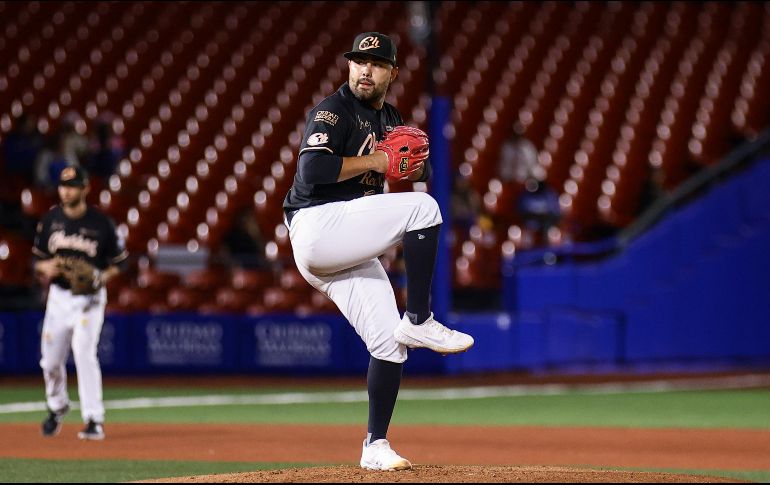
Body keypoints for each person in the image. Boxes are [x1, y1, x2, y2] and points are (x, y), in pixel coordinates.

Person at [282, 32, 474, 471]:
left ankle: (375, 446)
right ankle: (421, 319)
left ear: (392, 72)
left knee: (389, 342)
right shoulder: (333, 110)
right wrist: (378, 163)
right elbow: (313, 169)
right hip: (316, 225)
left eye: (375, 64)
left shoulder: (390, 116)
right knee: (424, 208)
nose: (364, 70)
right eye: (357, 62)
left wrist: (414, 161)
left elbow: (416, 162)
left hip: (344, 246)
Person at [32, 166, 128, 440]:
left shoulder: (102, 223)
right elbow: (38, 261)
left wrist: (100, 276)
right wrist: (46, 267)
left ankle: (94, 419)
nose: (66, 190)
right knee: (50, 363)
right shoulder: (51, 220)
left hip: (90, 300)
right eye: (63, 185)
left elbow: (120, 263)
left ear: (85, 188)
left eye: (73, 185)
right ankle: (58, 406)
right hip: (60, 298)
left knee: (84, 353)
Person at [516, 165, 561, 245]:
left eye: (537, 181)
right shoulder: (525, 195)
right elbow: (521, 210)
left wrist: (542, 215)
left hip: (546, 226)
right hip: (530, 226)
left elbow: (555, 212)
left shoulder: (549, 194)